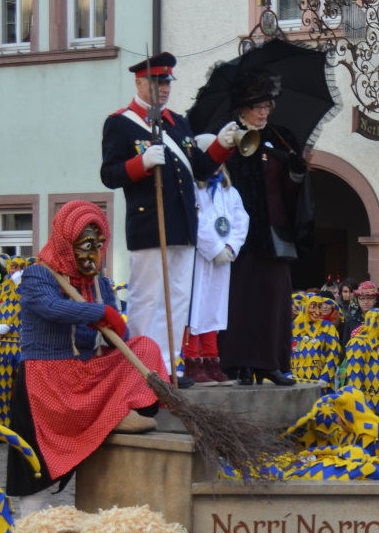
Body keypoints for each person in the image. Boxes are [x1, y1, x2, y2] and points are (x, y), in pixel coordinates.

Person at [6, 201, 169, 511]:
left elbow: (117, 337)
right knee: (35, 468)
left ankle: (119, 412)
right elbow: (52, 309)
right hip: (48, 379)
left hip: (88, 371)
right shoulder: (37, 275)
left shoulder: (99, 283)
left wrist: (113, 321)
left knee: (145, 346)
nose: (91, 254)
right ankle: (30, 529)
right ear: (66, 243)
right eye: (84, 245)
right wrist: (97, 311)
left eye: (98, 245)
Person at [100, 52, 239, 381]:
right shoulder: (120, 123)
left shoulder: (178, 123)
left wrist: (221, 145)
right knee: (147, 300)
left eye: (167, 83)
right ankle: (141, 370)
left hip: (183, 225)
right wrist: (142, 163)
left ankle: (167, 366)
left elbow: (200, 171)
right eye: (157, 83)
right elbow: (109, 174)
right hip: (151, 225)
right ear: (140, 83)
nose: (164, 89)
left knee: (178, 300)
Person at [221, 69, 310, 387]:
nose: (263, 112)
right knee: (241, 299)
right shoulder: (228, 137)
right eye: (258, 107)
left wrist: (297, 173)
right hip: (240, 235)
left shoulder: (280, 135)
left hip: (275, 232)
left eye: (267, 107)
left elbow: (289, 192)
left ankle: (270, 363)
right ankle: (239, 364)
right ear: (243, 108)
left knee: (274, 299)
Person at [183, 134, 248, 387]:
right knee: (194, 306)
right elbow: (195, 221)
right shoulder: (192, 189)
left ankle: (211, 358)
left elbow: (241, 220)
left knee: (214, 307)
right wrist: (215, 247)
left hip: (222, 260)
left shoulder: (229, 191)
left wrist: (231, 245)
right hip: (199, 257)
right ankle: (192, 360)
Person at [0, 256, 25, 426]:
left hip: (25, 347)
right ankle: (1, 428)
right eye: (15, 266)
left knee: (26, 390)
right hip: (2, 346)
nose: (18, 270)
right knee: (0, 389)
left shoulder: (32, 294)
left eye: (22, 267)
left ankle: (24, 428)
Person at [343, 309, 379, 420]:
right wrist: (358, 398)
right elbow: (355, 372)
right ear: (375, 322)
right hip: (368, 400)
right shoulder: (358, 343)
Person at [290, 293, 341, 391]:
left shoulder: (327, 327)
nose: (317, 312)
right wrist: (287, 374)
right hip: (294, 386)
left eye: (320, 307)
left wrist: (325, 377)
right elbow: (282, 353)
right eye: (313, 306)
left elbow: (333, 354)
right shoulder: (291, 327)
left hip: (321, 385)